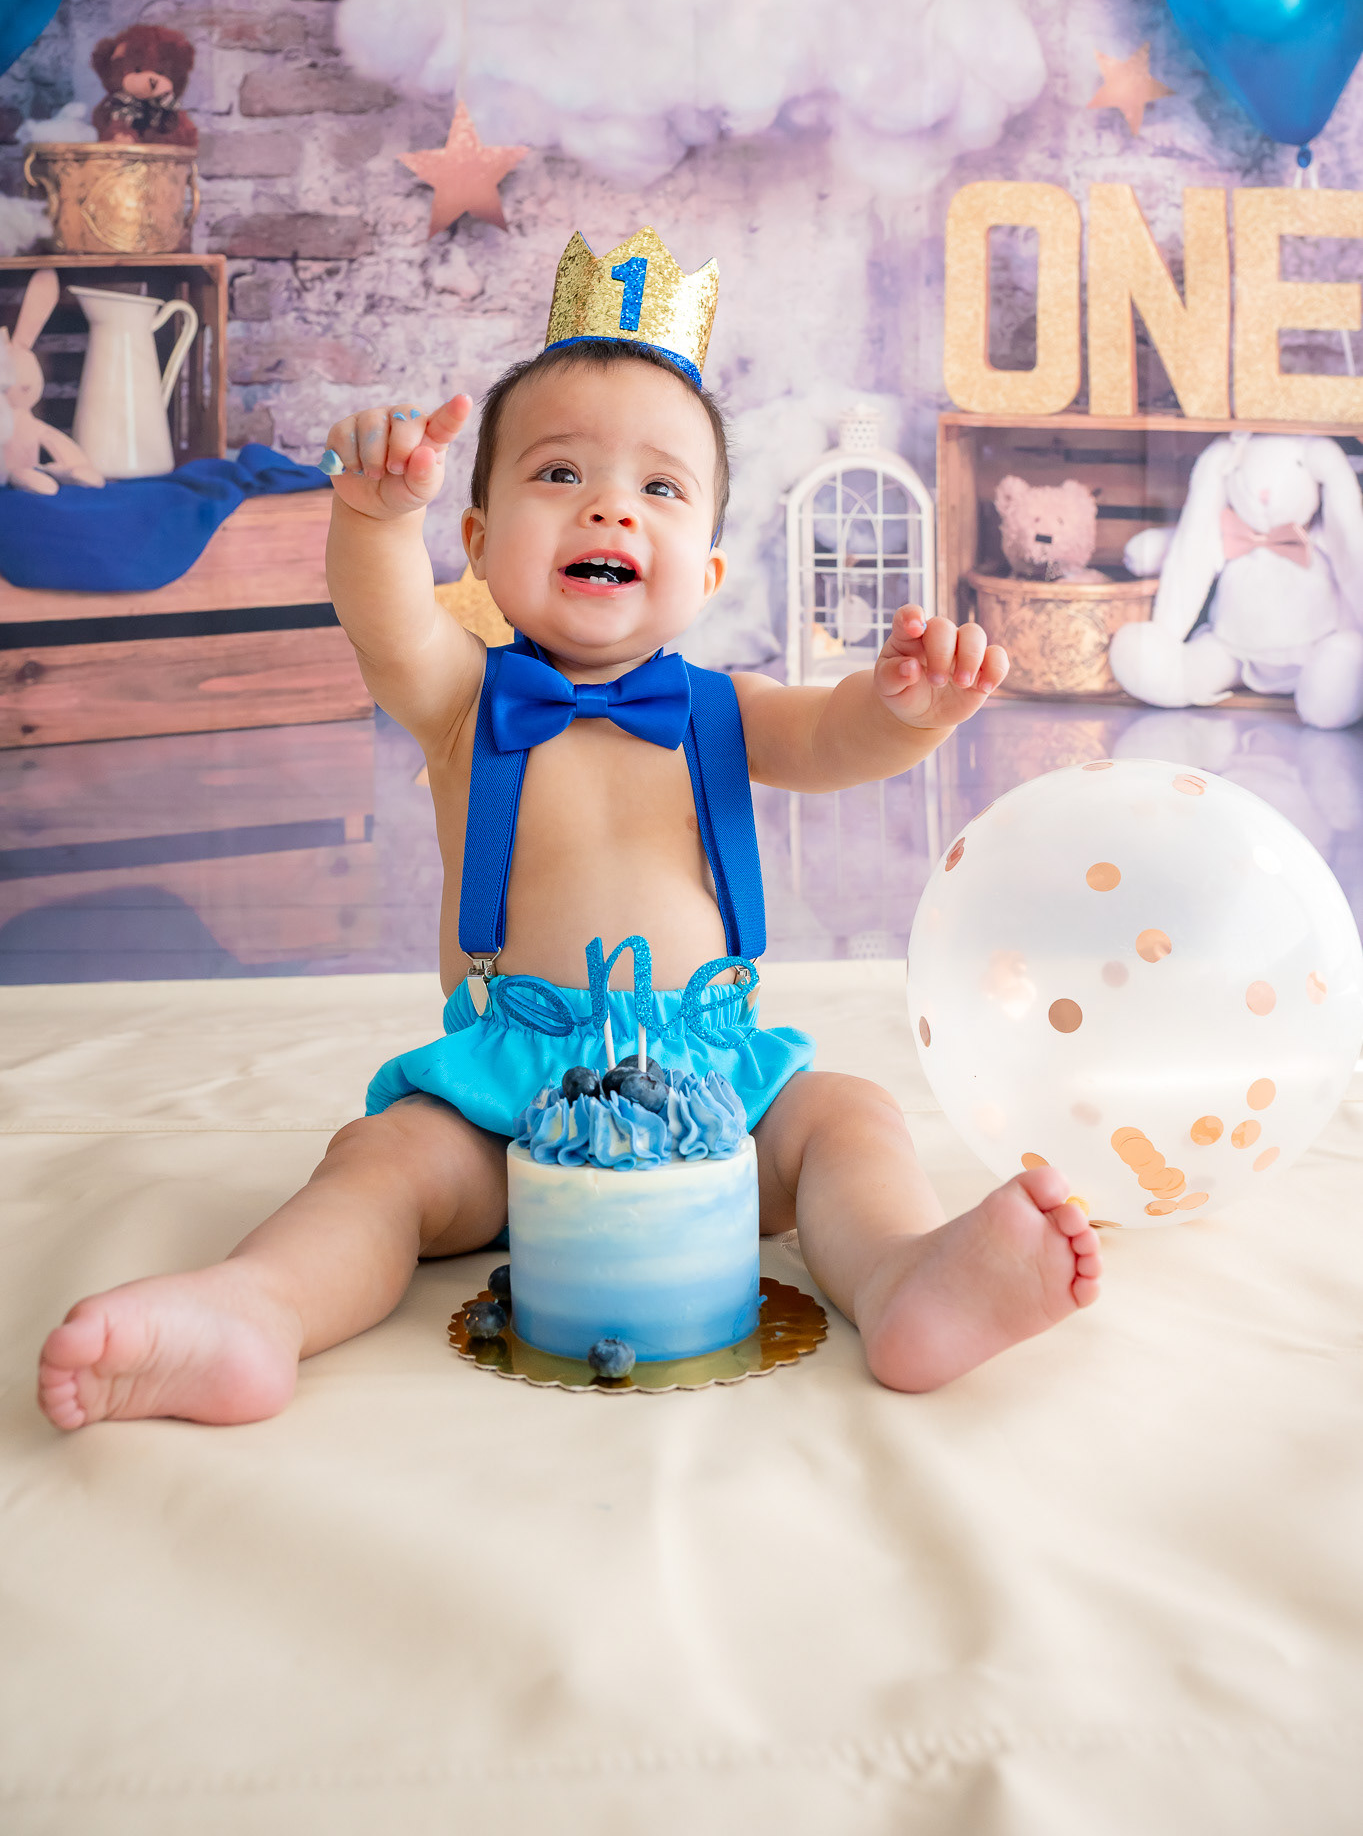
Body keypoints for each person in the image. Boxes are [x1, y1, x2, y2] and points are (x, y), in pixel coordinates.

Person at [37, 228, 1100, 1431]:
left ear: (700, 571)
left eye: (658, 485)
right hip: (505, 1099)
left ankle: (904, 1274)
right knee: (377, 1162)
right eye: (557, 474)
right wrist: (379, 519)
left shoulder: (722, 707)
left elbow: (839, 738)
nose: (608, 502)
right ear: (481, 542)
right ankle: (256, 1307)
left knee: (848, 1114)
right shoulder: (461, 695)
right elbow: (383, 620)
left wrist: (908, 705)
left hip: (714, 1088)